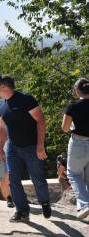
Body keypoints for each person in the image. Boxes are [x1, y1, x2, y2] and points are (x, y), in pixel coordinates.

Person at [0, 75, 51, 222]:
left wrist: (40, 146)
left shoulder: (26, 99)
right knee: (13, 179)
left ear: (4, 86)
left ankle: (44, 202)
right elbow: (2, 128)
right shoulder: (1, 105)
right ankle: (22, 211)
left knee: (37, 178)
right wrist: (1, 148)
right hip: (12, 147)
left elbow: (41, 120)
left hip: (32, 146)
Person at [61, 78, 89, 220]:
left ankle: (85, 205)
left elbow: (65, 128)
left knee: (73, 174)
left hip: (79, 143)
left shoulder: (73, 106)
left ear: (77, 91)